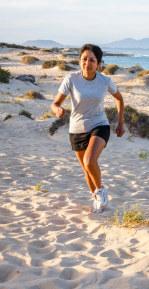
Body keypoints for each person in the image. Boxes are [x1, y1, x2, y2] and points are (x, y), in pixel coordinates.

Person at [51, 44, 125, 213]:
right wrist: (58, 110)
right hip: (76, 129)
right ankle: (96, 201)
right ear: (80, 61)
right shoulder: (71, 79)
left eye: (92, 60)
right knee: (86, 169)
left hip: (99, 125)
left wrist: (121, 123)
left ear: (99, 64)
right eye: (84, 59)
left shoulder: (105, 81)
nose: (87, 63)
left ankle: (101, 191)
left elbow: (119, 99)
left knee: (89, 161)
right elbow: (55, 103)